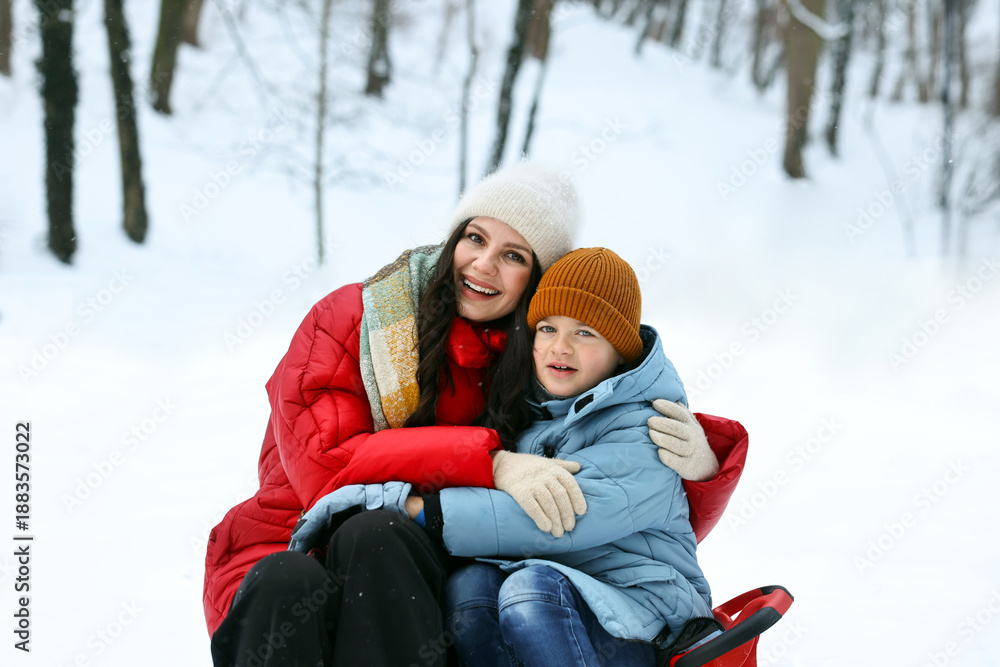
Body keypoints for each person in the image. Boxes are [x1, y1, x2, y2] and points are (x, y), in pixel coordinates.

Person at [207, 163, 738, 666]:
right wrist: (491, 462)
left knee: (382, 539)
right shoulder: (353, 318)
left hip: (413, 561)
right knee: (289, 578)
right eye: (475, 238)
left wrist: (700, 471)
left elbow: (617, 502)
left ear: (534, 283)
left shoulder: (531, 361)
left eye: (514, 255)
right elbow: (323, 469)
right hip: (291, 539)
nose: (484, 264)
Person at [291, 247, 731, 666]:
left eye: (584, 333)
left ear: (620, 352)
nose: (560, 347)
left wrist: (414, 509)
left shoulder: (648, 426)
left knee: (530, 592)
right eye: (548, 329)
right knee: (472, 585)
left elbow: (558, 521)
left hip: (648, 619)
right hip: (570, 597)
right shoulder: (531, 415)